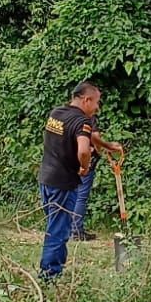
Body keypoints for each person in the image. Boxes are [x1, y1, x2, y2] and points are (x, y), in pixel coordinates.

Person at [38, 81, 101, 279]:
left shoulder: (56, 114)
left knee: (55, 225)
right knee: (58, 230)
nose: (97, 107)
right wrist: (84, 166)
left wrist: (107, 145)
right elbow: (83, 148)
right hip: (63, 183)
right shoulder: (83, 121)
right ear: (86, 99)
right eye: (97, 102)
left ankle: (56, 269)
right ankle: (49, 276)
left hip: (46, 178)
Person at [70, 116, 124, 241]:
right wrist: (103, 149)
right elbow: (95, 138)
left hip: (69, 160)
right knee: (81, 196)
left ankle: (69, 230)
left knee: (71, 194)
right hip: (85, 162)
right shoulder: (87, 118)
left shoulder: (67, 116)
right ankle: (76, 231)